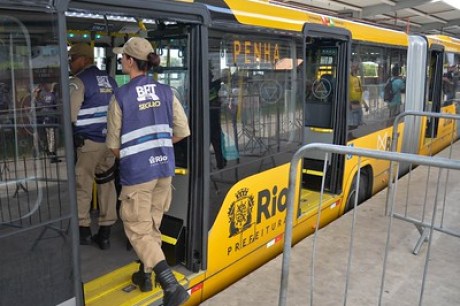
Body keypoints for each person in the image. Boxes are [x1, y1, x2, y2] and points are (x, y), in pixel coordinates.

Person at [107, 37, 190, 305]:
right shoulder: (167, 92)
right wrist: (158, 146)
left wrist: (134, 155)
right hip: (164, 170)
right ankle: (146, 276)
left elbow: (113, 146)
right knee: (152, 225)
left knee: (138, 230)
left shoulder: (120, 96)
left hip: (138, 174)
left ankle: (171, 285)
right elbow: (182, 131)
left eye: (123, 57)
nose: (121, 60)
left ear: (130, 61)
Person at [68, 43, 118, 249]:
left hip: (88, 144)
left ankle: (84, 232)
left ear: (84, 59)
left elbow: (70, 114)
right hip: (109, 145)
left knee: (83, 185)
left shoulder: (78, 82)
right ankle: (105, 233)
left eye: (72, 59)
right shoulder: (111, 81)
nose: (70, 64)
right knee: (107, 185)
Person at [209, 68, 226, 169]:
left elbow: (223, 79)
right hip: (212, 117)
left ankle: (220, 162)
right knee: (216, 141)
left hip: (214, 117)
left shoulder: (216, 84)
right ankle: (220, 162)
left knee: (216, 141)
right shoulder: (215, 84)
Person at [348, 62, 368, 127]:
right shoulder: (348, 78)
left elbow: (360, 93)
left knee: (358, 124)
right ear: (352, 68)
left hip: (358, 105)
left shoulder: (358, 79)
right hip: (351, 105)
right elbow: (346, 92)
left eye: (357, 68)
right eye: (354, 67)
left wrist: (364, 104)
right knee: (351, 124)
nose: (356, 70)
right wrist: (349, 103)